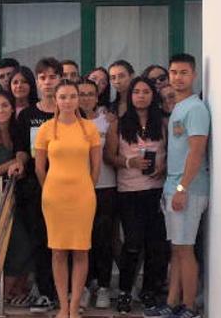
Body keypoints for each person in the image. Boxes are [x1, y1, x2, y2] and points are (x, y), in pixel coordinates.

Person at [147, 54, 210, 318]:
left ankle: (189, 307)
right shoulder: (178, 108)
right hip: (173, 187)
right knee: (177, 249)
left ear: (193, 75)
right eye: (173, 72)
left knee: (185, 250)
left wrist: (183, 188)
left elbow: (196, 152)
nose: (177, 77)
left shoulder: (196, 109)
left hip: (189, 190)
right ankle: (172, 303)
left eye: (183, 72)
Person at [34, 80, 102, 318]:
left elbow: (96, 165)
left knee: (81, 250)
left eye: (72, 96)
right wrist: (49, 188)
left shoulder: (89, 128)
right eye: (63, 97)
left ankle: (75, 308)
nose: (68, 101)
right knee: (58, 251)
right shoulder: (45, 129)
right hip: (54, 197)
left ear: (78, 99)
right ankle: (63, 306)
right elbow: (39, 167)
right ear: (56, 99)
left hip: (83, 195)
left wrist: (88, 188)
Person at [105, 77, 168, 313]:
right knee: (132, 243)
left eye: (146, 92)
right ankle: (124, 291)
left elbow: (172, 151)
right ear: (130, 96)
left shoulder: (161, 123)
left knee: (155, 245)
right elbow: (109, 156)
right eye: (137, 92)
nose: (141, 96)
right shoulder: (118, 125)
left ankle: (149, 290)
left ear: (153, 95)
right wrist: (130, 161)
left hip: (156, 190)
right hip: (129, 192)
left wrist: (164, 165)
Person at [15, 57, 62, 313]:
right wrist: (19, 163)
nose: (47, 82)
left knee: (64, 242)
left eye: (52, 76)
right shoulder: (27, 115)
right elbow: (22, 150)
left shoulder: (70, 112)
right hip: (36, 187)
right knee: (40, 240)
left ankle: (65, 292)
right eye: (42, 77)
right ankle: (44, 292)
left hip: (67, 186)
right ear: (37, 81)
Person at [0, 90, 32, 304]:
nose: (1, 110)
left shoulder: (17, 131)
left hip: (19, 197)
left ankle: (16, 293)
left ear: (12, 107)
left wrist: (22, 160)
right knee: (18, 246)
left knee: (26, 244)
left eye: (4, 105)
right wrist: (12, 163)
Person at [78, 79, 118, 310]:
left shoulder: (107, 121)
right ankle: (83, 286)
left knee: (103, 238)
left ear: (97, 97)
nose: (85, 98)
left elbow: (111, 154)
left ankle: (103, 286)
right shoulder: (68, 123)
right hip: (77, 189)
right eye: (81, 94)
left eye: (90, 94)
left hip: (105, 188)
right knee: (81, 240)